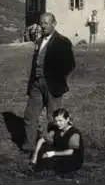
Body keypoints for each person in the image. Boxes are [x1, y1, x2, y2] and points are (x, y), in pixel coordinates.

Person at [21, 12, 76, 153]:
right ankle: (29, 146)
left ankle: (53, 146)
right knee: (30, 115)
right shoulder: (39, 41)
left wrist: (56, 77)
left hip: (53, 86)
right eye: (41, 23)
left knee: (54, 118)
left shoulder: (62, 41)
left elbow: (70, 65)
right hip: (36, 85)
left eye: (46, 23)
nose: (43, 26)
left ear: (54, 24)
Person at [29, 108, 84, 175]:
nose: (58, 123)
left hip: (72, 158)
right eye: (56, 121)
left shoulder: (74, 133)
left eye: (60, 121)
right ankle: (41, 166)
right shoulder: (56, 129)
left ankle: (50, 170)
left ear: (67, 119)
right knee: (43, 148)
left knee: (58, 161)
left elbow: (70, 152)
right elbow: (41, 140)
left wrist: (52, 153)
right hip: (59, 152)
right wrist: (35, 155)